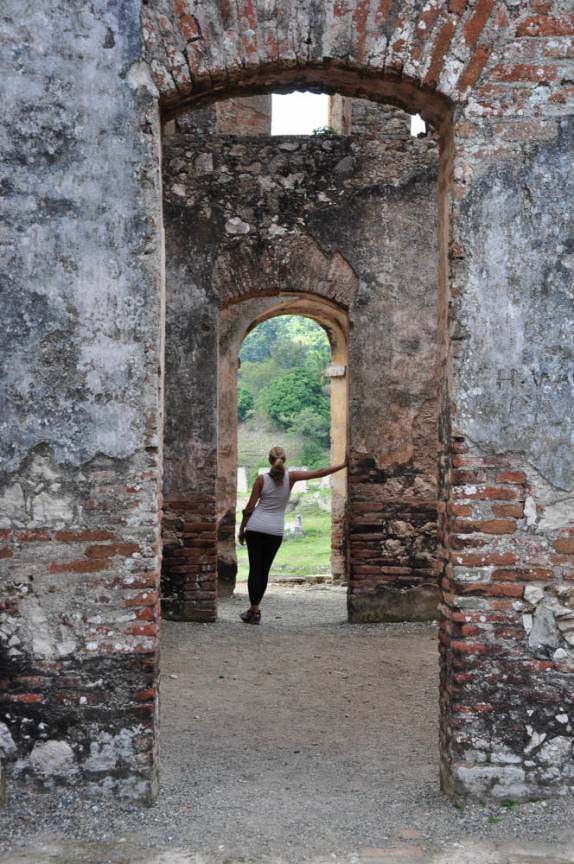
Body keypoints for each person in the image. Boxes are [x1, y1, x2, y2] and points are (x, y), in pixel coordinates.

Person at [238, 446, 347, 624]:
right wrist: (343, 465)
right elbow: (319, 473)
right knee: (264, 571)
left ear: (269, 460)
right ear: (284, 460)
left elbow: (249, 508)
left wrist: (242, 529)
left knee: (254, 570)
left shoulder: (261, 479)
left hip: (256, 528)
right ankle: (254, 611)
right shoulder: (292, 477)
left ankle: (254, 610)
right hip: (275, 531)